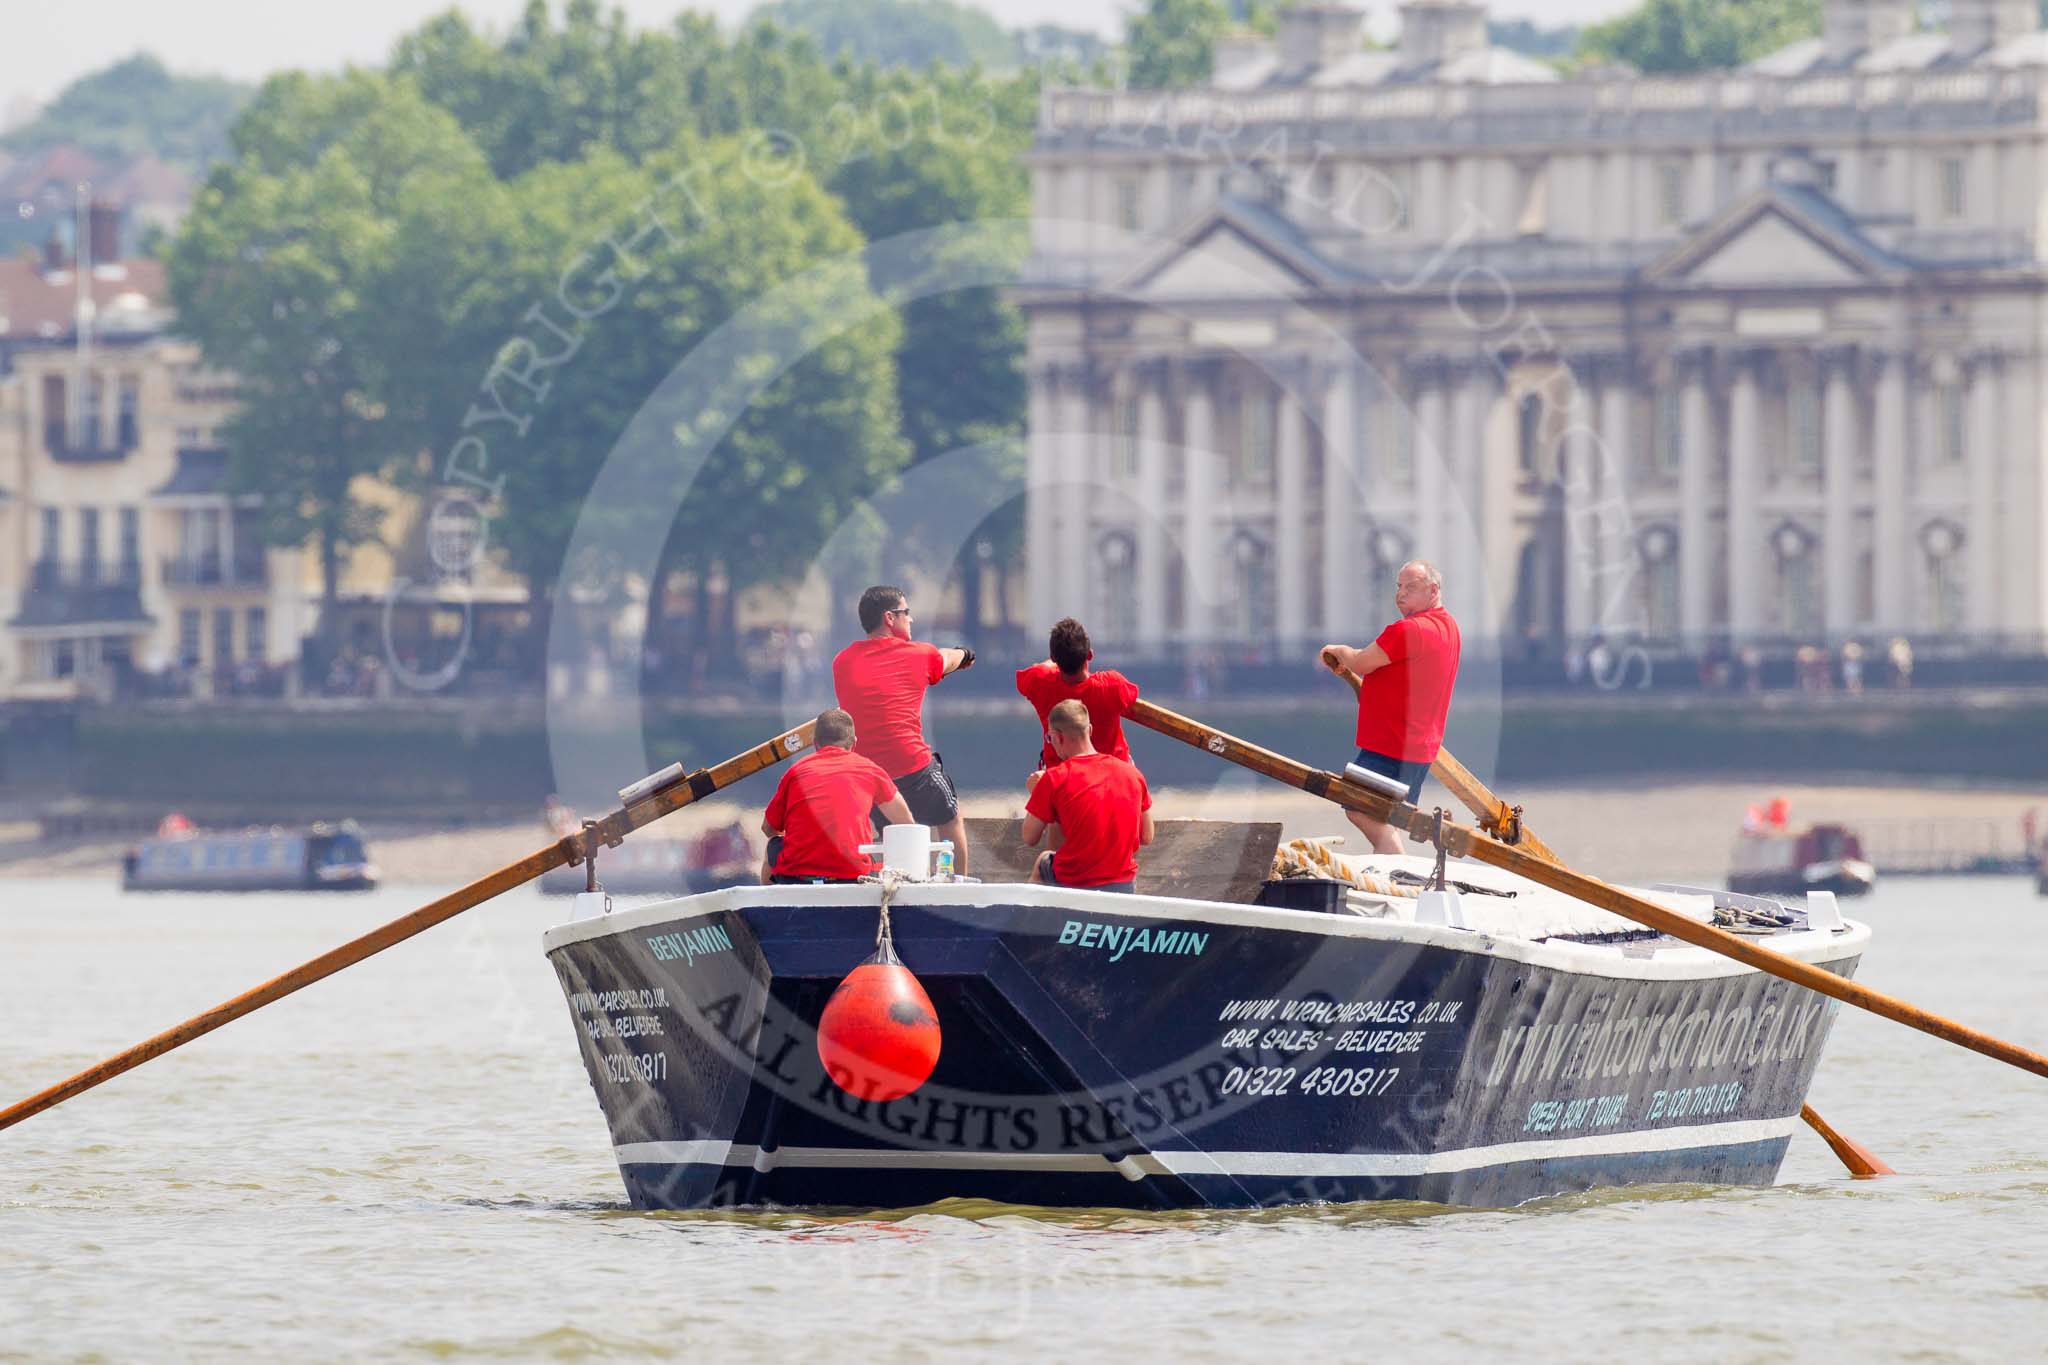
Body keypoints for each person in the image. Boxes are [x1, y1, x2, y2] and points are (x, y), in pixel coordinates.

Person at [1320, 560, 1462, 856]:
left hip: (1391, 744)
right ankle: (1388, 880)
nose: (1401, 594)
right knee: (1387, 818)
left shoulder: (1407, 630)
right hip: (1421, 748)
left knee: (1359, 808)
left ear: (1433, 590)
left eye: (1411, 587)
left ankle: (1399, 871)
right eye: (1399, 586)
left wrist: (1337, 651)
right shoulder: (1449, 628)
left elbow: (1360, 661)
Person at [831, 585, 976, 875]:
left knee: (891, 835)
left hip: (870, 777)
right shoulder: (920, 655)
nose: (911, 619)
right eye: (906, 613)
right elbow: (947, 657)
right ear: (889, 618)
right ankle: (955, 885)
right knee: (950, 819)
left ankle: (895, 885)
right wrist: (965, 653)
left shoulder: (841, 662)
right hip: (913, 768)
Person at [760, 708, 913, 884]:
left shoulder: (795, 772)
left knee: (773, 846)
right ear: (854, 744)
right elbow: (906, 822)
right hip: (854, 876)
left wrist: (802, 836)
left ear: (815, 743)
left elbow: (768, 829)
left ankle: (772, 907)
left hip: (798, 877)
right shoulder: (871, 770)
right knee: (877, 857)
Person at [1020, 700, 1154, 894]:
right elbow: (1147, 836)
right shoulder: (1133, 774)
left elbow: (1029, 836)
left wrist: (1038, 793)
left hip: (1075, 882)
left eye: (1050, 739)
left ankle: (1036, 920)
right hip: (1123, 884)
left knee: (1043, 861)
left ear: (1057, 737)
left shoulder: (1054, 778)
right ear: (1089, 730)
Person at [1016, 618, 1141, 785]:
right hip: (1113, 777)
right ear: (1089, 654)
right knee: (1129, 767)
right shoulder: (1112, 685)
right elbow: (1131, 694)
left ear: (1054, 658)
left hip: (1060, 777)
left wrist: (1054, 663)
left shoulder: (1039, 682)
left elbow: (1036, 670)